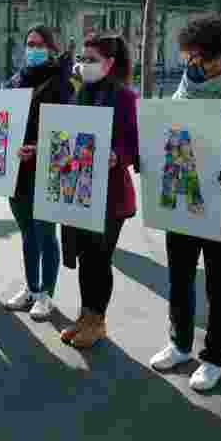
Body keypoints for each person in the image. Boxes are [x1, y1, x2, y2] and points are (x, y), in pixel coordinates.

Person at [148, 18, 221, 390]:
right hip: (183, 201)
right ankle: (179, 343)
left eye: (199, 58)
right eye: (188, 57)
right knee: (179, 278)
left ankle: (214, 357)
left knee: (220, 286)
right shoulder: (184, 88)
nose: (192, 65)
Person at [59, 34, 139, 348]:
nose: (85, 64)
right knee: (84, 256)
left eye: (92, 59)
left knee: (99, 259)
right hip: (79, 189)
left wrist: (117, 155)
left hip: (111, 197)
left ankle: (98, 321)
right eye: (84, 57)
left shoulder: (125, 97)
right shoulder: (81, 93)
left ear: (110, 63)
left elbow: (134, 143)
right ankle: (85, 316)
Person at [4, 25, 73, 320]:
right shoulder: (15, 81)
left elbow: (68, 130)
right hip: (16, 170)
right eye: (29, 43)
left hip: (46, 169)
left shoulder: (62, 83)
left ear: (51, 49)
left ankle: (47, 294)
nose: (32, 49)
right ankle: (32, 288)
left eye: (38, 44)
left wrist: (38, 147)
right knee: (27, 233)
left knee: (46, 234)